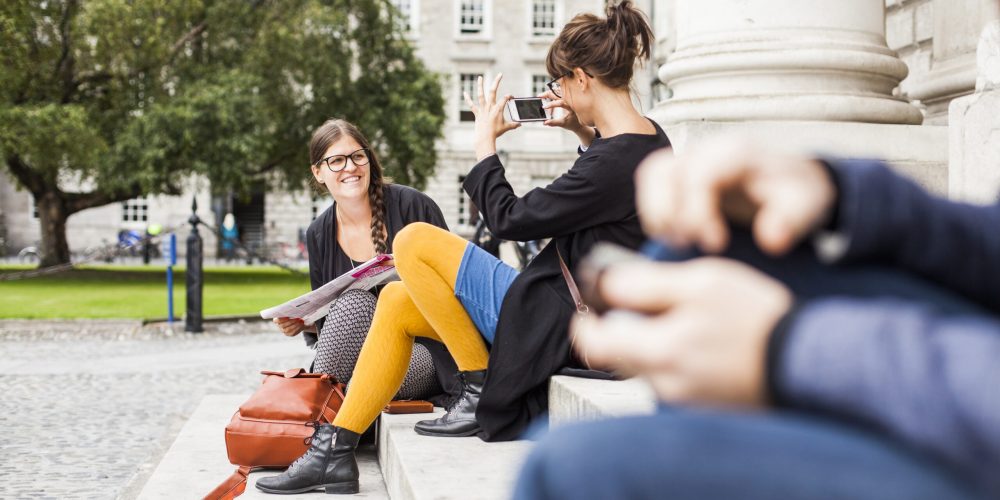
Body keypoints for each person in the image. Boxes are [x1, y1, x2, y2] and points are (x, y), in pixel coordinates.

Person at [255, 2, 669, 495]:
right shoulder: (648, 139)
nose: (557, 95)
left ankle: (476, 382)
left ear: (581, 78)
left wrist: (484, 146)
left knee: (411, 240)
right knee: (394, 300)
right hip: (558, 309)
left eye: (559, 84)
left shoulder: (616, 160)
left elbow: (509, 219)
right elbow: (597, 188)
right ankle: (336, 449)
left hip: (558, 323)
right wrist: (581, 130)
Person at [512, 140, 1000, 500]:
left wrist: (789, 347)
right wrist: (840, 192)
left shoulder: (610, 160)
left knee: (570, 471)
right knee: (698, 250)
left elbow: (513, 216)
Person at [271, 119, 459, 408]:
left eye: (357, 156)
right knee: (354, 305)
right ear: (318, 172)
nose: (350, 167)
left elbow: (457, 288)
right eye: (336, 161)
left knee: (357, 321)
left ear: (369, 159)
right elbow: (330, 323)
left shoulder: (414, 207)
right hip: (357, 358)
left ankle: (316, 416)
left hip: (423, 351)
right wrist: (305, 324)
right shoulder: (319, 233)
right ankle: (327, 419)